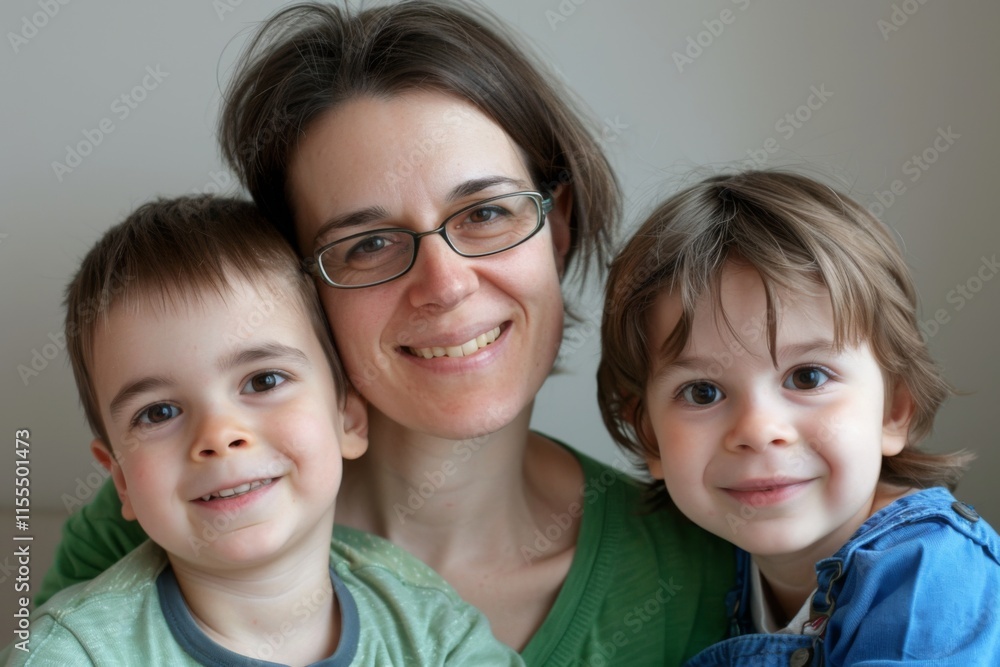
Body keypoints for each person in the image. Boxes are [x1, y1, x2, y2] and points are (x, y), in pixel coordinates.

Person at [38, 2, 734, 664]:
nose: (446, 283)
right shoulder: (181, 504)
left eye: (486, 213)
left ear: (556, 226)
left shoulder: (699, 555)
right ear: (302, 288)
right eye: (368, 243)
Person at [6, 196, 523, 666]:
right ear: (120, 480)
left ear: (348, 418)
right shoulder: (74, 655)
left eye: (263, 380)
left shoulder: (433, 631)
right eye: (159, 412)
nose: (219, 435)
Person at [597, 169, 1000, 664]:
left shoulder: (930, 571)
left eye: (807, 378)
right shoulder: (700, 567)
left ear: (894, 411)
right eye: (702, 392)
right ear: (650, 438)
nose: (759, 431)